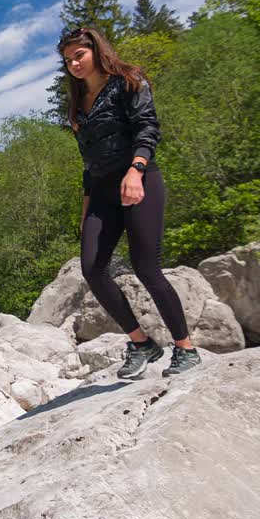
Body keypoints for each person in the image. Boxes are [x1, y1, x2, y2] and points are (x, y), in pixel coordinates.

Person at [57, 26, 201, 378]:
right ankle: (141, 343)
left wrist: (136, 171)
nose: (74, 63)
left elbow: (147, 128)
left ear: (95, 50)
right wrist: (85, 208)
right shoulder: (77, 105)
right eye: (68, 60)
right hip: (102, 192)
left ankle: (185, 349)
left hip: (139, 181)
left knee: (146, 268)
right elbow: (88, 162)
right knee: (92, 267)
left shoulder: (128, 80)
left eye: (79, 55)